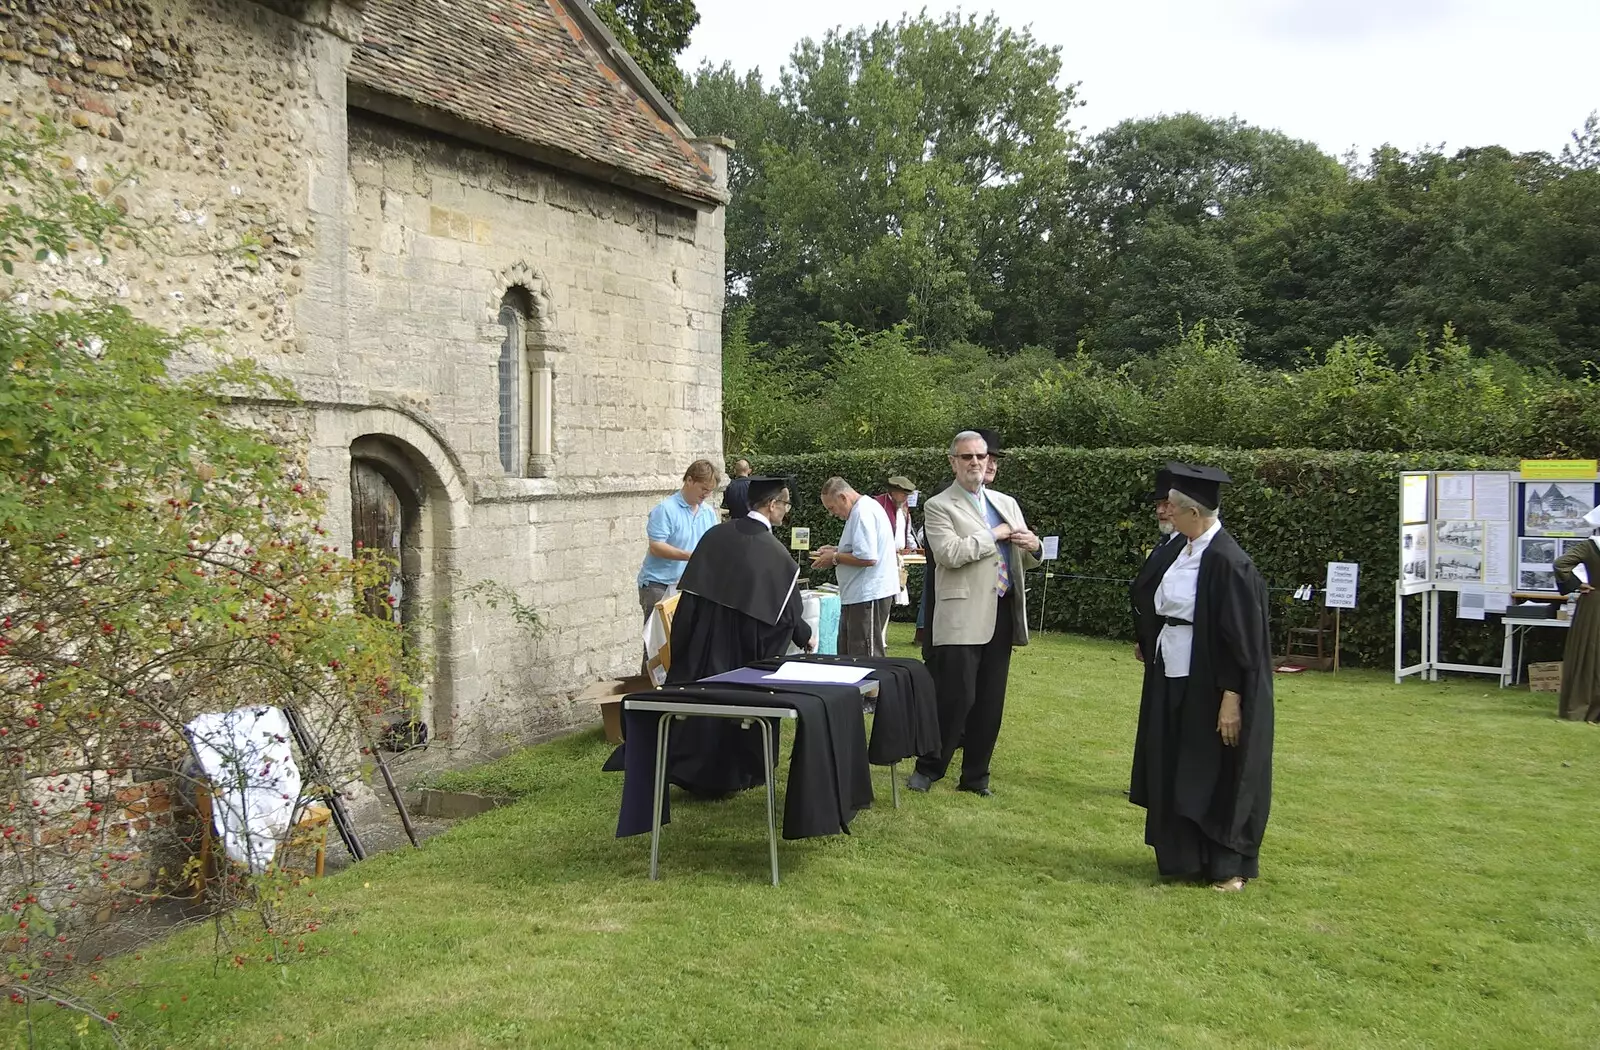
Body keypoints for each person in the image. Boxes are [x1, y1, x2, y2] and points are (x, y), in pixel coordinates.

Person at [1129, 463, 1274, 892]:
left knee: (1215, 765)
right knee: (1177, 759)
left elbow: (1241, 639)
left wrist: (1232, 697)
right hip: (1173, 669)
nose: (1167, 513)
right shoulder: (1183, 549)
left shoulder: (1229, 563)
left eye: (1173, 507)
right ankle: (1186, 856)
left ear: (1195, 513)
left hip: (1211, 679)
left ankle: (1229, 864)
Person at [908, 430, 1041, 797]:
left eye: (980, 457)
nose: (975, 463)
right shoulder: (939, 505)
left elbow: (1021, 558)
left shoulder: (1006, 502)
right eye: (966, 457)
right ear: (953, 462)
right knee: (955, 698)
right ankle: (929, 768)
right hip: (962, 614)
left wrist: (1035, 546)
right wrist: (994, 534)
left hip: (1001, 611)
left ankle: (976, 777)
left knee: (989, 702)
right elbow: (949, 554)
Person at [666, 476, 814, 683]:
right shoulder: (775, 554)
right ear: (772, 505)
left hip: (699, 651)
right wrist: (804, 634)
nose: (787, 511)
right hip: (739, 657)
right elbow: (787, 612)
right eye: (786, 504)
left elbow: (690, 600)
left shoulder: (714, 535)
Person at [814, 477, 899, 657]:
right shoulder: (863, 509)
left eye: (832, 507)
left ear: (843, 497)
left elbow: (868, 557)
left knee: (865, 656)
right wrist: (836, 550)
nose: (832, 513)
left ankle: (874, 686)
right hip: (860, 595)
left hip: (868, 595)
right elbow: (862, 548)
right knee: (850, 654)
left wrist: (835, 557)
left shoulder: (862, 512)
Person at [636, 459, 719, 622]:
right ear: (689, 480)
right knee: (659, 644)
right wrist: (690, 556)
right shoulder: (665, 509)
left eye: (710, 491)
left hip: (690, 586)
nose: (706, 495)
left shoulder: (708, 512)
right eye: (703, 489)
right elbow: (656, 547)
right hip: (659, 584)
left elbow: (713, 543)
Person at [1129, 464, 1185, 664]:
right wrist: (1143, 639)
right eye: (1157, 504)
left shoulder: (1188, 545)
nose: (1160, 511)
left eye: (1166, 504)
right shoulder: (1166, 541)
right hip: (1153, 641)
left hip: (1170, 644)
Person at [1553, 506, 1600, 721]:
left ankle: (1583, 706)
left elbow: (1560, 564)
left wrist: (1578, 584)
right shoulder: (1589, 546)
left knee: (1590, 654)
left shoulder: (1590, 546)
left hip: (1594, 604)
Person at [874, 476, 918, 554]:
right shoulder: (878, 504)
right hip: (881, 555)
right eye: (904, 495)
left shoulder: (903, 505)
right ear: (893, 493)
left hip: (900, 556)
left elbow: (907, 532)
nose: (906, 498)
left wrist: (913, 548)